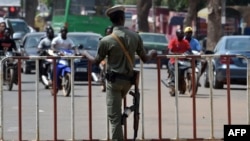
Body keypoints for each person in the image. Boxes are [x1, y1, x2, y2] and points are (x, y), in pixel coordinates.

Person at [81, 5, 157, 140]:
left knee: (114, 117)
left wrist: (85, 53)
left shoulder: (106, 40)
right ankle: (126, 113)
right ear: (122, 19)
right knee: (120, 109)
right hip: (128, 82)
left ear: (112, 21)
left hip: (113, 83)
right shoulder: (135, 36)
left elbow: (96, 61)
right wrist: (152, 53)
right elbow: (145, 58)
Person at [168, 29, 190, 96]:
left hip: (183, 61)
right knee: (175, 72)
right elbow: (170, 51)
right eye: (180, 34)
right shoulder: (173, 41)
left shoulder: (185, 42)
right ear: (177, 35)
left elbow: (189, 50)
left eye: (182, 34)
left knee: (189, 67)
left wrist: (188, 53)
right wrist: (174, 54)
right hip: (174, 60)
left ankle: (186, 83)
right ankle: (172, 85)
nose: (181, 35)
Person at [99, 25, 113, 92]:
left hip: (113, 60)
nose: (109, 34)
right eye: (108, 32)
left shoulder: (116, 41)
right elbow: (100, 53)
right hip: (104, 60)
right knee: (103, 67)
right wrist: (102, 60)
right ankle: (102, 82)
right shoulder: (103, 41)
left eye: (110, 32)